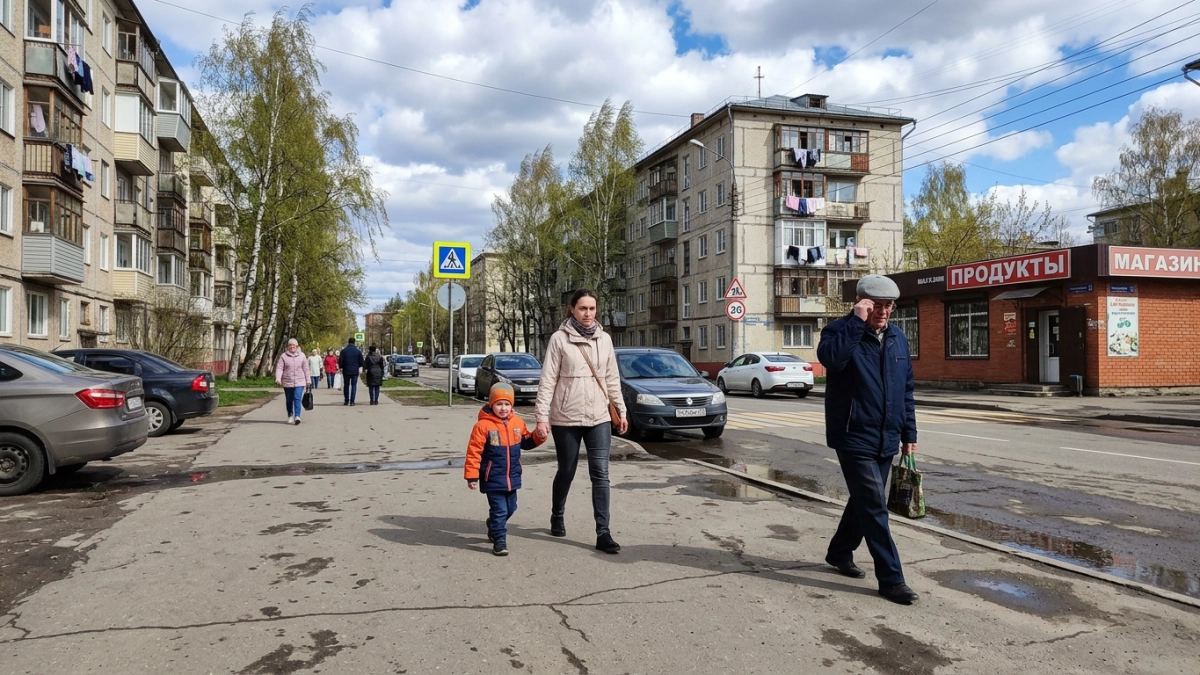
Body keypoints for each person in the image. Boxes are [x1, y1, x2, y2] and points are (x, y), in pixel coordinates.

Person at [817, 274, 919, 605]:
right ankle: (891, 579)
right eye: (878, 305)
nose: (885, 312)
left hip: (886, 437)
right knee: (875, 506)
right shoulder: (839, 331)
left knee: (863, 501)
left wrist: (909, 434)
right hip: (853, 435)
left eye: (890, 306)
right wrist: (856, 323)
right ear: (863, 303)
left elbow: (906, 391)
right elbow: (831, 359)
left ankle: (839, 552)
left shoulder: (898, 339)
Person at [534, 289, 628, 554]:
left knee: (601, 473)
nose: (588, 314)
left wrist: (620, 410)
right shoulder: (559, 339)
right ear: (572, 309)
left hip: (598, 416)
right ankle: (557, 513)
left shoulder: (605, 339)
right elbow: (548, 380)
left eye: (592, 308)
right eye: (583, 308)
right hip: (566, 417)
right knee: (567, 470)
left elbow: (611, 378)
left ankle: (603, 532)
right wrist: (542, 418)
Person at [465, 383, 546, 556]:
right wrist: (472, 476)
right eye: (499, 404)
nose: (503, 408)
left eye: (507, 404)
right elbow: (474, 452)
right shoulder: (483, 426)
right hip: (492, 476)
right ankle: (499, 540)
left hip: (512, 476)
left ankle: (494, 524)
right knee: (500, 510)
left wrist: (538, 437)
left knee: (511, 508)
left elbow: (526, 442)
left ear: (512, 405)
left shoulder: (517, 422)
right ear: (491, 404)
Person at [274, 338, 311, 426]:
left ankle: (297, 416)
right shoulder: (284, 356)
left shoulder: (302, 356)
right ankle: (290, 415)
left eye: (293, 345)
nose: (292, 347)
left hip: (300, 381)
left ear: (297, 346)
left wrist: (308, 380)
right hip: (287, 381)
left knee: (297, 398)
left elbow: (306, 369)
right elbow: (279, 368)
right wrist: (278, 378)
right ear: (288, 346)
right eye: (290, 345)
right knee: (289, 400)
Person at [338, 337, 366, 406]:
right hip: (354, 371)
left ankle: (346, 400)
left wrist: (341, 367)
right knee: (354, 385)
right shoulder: (358, 351)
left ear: (348, 342)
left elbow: (340, 361)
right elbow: (362, 362)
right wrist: (358, 366)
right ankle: (352, 401)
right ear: (354, 343)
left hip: (346, 370)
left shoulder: (343, 351)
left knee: (346, 385)